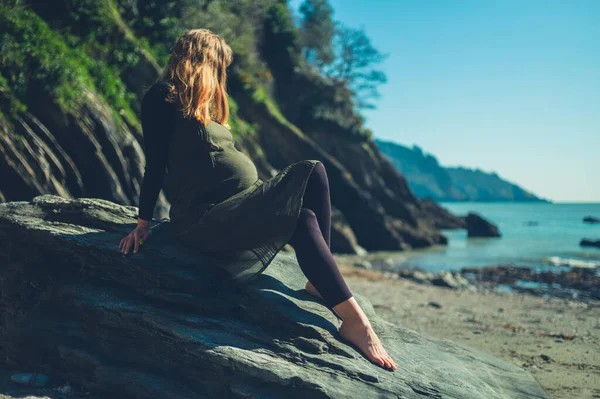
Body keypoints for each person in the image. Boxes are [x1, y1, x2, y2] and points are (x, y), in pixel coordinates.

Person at [118, 28, 397, 371]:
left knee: (313, 178)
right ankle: (357, 322)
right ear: (203, 59)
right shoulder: (164, 97)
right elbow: (156, 163)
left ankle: (318, 282)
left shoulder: (206, 109)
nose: (223, 73)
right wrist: (143, 224)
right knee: (305, 203)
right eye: (221, 65)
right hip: (205, 218)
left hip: (238, 207)